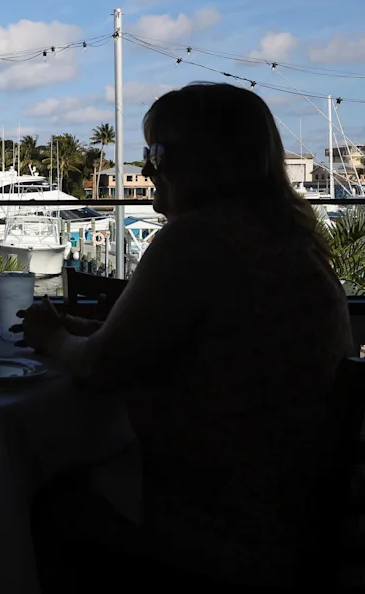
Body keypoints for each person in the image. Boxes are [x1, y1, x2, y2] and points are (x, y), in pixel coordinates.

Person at [19, 82, 353, 587]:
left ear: (207, 159)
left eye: (156, 152)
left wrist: (52, 337)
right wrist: (90, 330)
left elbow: (98, 368)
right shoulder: (288, 236)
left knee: (32, 499)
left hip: (225, 527)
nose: (146, 168)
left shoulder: (199, 239)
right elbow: (194, 341)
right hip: (297, 509)